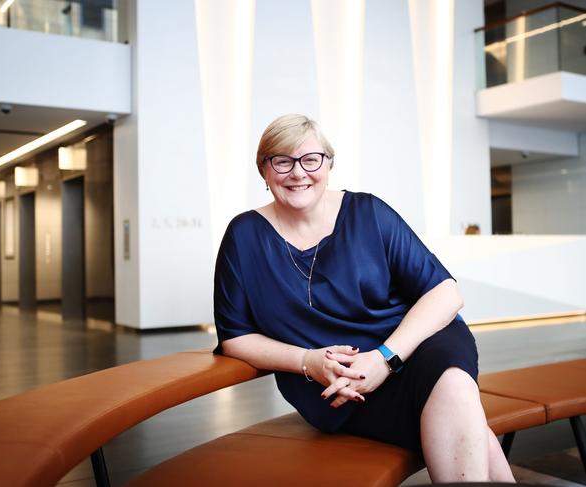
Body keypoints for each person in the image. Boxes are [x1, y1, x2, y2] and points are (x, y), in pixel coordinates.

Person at [213, 114, 515, 482]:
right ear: (263, 169)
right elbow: (234, 336)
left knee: (453, 387)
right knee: (467, 427)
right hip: (336, 391)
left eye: (311, 159)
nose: (298, 173)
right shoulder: (243, 236)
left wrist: (384, 359)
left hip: (413, 351)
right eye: (282, 161)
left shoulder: (368, 212)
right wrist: (307, 360)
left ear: (328, 164)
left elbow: (446, 292)